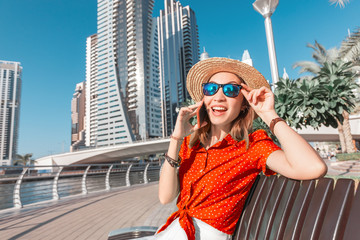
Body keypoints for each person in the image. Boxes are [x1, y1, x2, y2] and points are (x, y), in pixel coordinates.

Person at [156, 57, 327, 240]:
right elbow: (166, 198)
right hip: (174, 231)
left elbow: (313, 168)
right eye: (211, 88)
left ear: (244, 103)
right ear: (204, 98)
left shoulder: (252, 146)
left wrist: (269, 114)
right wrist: (176, 138)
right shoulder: (191, 145)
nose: (219, 97)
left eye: (230, 90)